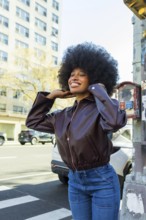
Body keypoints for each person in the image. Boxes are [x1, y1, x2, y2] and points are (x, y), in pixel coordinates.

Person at [26, 42, 127, 220]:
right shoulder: (62, 116)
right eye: (71, 75)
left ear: (94, 78)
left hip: (101, 181)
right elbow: (33, 121)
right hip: (75, 181)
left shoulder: (100, 110)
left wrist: (98, 90)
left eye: (82, 75)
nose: (74, 78)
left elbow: (115, 121)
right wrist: (51, 97)